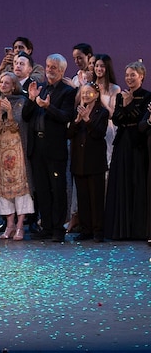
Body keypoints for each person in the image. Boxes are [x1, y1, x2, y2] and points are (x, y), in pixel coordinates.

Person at [23, 54, 77, 243]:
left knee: (57, 189)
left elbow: (66, 116)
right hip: (37, 147)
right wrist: (31, 99)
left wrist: (48, 107)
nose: (49, 70)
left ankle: (57, 229)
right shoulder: (41, 88)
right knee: (42, 190)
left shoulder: (67, 92)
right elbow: (26, 116)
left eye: (53, 67)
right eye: (47, 66)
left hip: (54, 148)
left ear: (62, 70)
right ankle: (46, 227)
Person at [105, 61, 150, 241]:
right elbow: (117, 119)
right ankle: (120, 229)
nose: (129, 78)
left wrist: (129, 104)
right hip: (122, 143)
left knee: (137, 183)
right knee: (121, 184)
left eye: (133, 75)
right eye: (127, 75)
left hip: (138, 145)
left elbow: (140, 120)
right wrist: (124, 104)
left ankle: (138, 230)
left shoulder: (147, 96)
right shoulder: (121, 96)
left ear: (141, 76)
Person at [0, 72, 34, 241]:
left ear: (14, 85)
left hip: (18, 149)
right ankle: (9, 225)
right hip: (2, 151)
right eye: (1, 82)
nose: (3, 85)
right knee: (4, 189)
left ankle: (20, 226)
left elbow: (18, 125)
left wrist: (9, 112)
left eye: (7, 82)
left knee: (21, 187)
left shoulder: (21, 101)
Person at [67, 83, 109, 242]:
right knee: (83, 198)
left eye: (89, 93)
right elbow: (69, 134)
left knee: (96, 198)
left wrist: (87, 120)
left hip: (95, 162)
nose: (85, 95)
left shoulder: (102, 112)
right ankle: (86, 229)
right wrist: (77, 121)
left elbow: (99, 133)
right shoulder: (76, 110)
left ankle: (98, 231)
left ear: (96, 95)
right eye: (83, 92)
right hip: (79, 161)